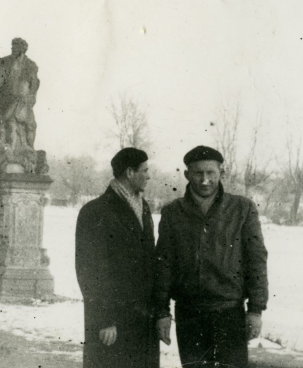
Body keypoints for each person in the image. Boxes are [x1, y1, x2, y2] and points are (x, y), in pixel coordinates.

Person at [154, 146, 268, 368]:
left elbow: (256, 261)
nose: (204, 180)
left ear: (221, 174)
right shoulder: (173, 212)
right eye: (198, 173)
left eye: (211, 173)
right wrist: (161, 312)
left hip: (229, 312)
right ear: (187, 175)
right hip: (189, 315)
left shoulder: (242, 209)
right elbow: (164, 265)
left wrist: (255, 310)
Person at [75, 147, 159, 368]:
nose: (149, 175)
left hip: (143, 318)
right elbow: (89, 271)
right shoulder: (95, 211)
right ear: (130, 172)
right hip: (112, 322)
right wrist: (104, 319)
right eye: (145, 170)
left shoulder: (144, 207)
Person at [0, 37, 40, 150]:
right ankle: (3, 146)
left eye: (16, 47)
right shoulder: (4, 63)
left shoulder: (31, 66)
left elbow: (34, 86)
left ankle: (28, 149)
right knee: (4, 126)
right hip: (7, 102)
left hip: (24, 105)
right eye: (12, 46)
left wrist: (27, 97)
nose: (13, 49)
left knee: (30, 127)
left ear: (23, 49)